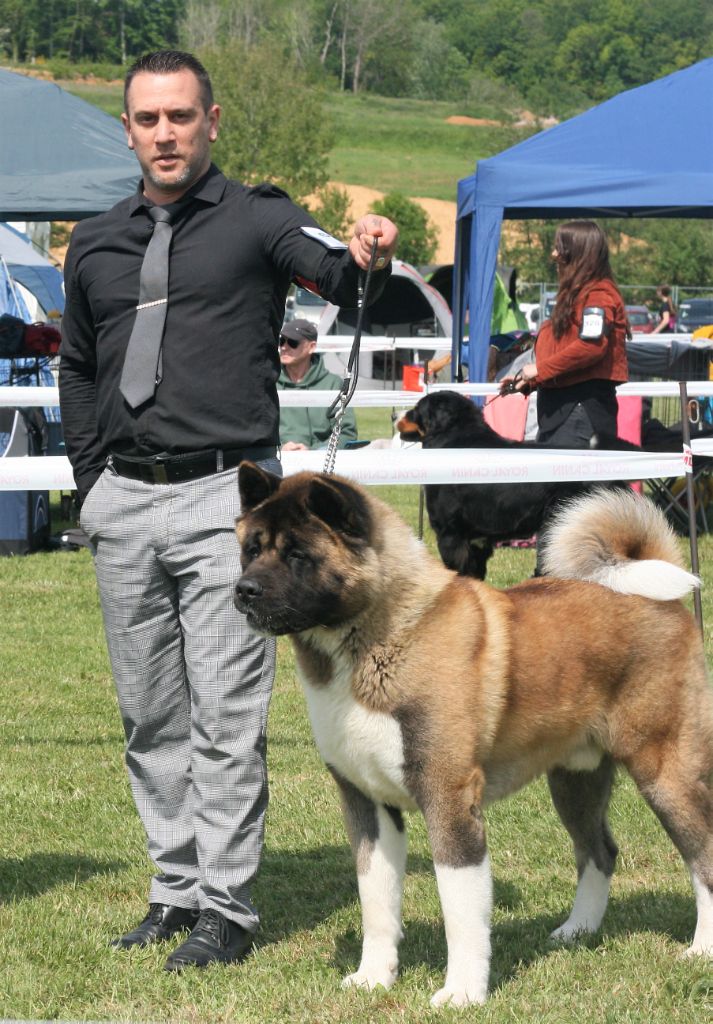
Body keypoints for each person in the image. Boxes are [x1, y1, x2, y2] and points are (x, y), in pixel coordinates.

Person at [58, 49, 398, 972]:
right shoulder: (94, 241)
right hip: (124, 499)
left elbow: (343, 279)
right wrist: (93, 483)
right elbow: (79, 368)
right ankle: (174, 890)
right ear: (127, 129)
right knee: (149, 715)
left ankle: (226, 908)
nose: (164, 134)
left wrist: (367, 251)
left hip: (228, 502)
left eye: (180, 116)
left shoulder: (260, 218)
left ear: (211, 121)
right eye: (147, 119)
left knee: (224, 718)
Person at [500, 220, 629, 446]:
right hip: (562, 410)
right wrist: (529, 380)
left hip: (580, 411)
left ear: (578, 252)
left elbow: (591, 347)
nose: (554, 254)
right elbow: (565, 350)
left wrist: (539, 369)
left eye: (560, 248)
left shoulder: (598, 296)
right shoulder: (578, 295)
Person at [277, 318, 358, 450]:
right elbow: (256, 430)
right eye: (281, 341)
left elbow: (346, 433)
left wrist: (313, 451)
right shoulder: (268, 383)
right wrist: (280, 449)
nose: (284, 347)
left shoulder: (333, 384)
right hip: (276, 458)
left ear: (312, 347)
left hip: (319, 459)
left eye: (293, 342)